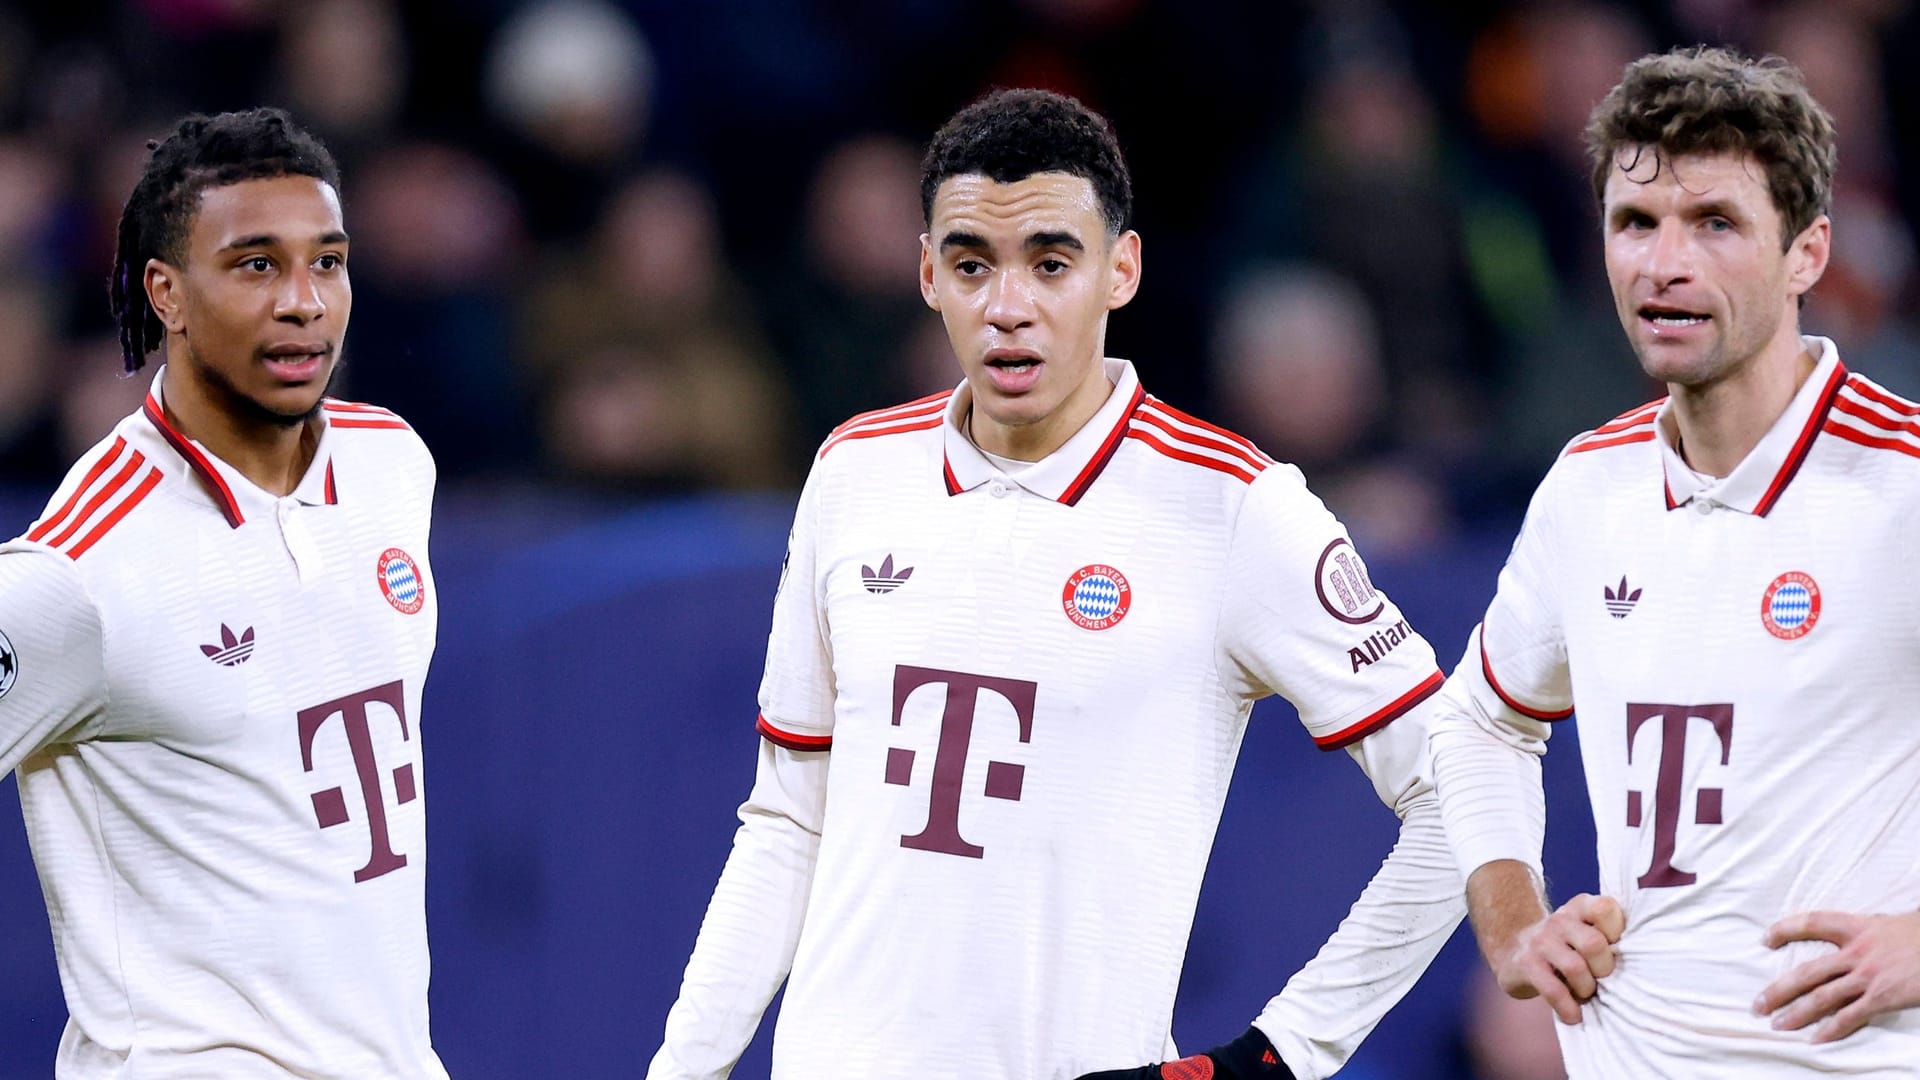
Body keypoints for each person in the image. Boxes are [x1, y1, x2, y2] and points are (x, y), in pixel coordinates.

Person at [648, 88, 1464, 1080]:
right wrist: (684, 1066)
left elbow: (1466, 792)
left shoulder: (1232, 506)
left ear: (1121, 268)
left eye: (1050, 262)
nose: (1008, 306)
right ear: (926, 274)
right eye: (971, 265)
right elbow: (789, 816)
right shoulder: (854, 470)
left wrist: (1282, 1053)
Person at [1429, 46, 1920, 1077]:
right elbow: (1480, 723)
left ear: (1808, 253)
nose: (1664, 263)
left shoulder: (1901, 482)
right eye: (1636, 223)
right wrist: (1514, 925)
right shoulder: (1588, 487)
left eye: (1716, 224)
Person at [0, 108, 446, 1077]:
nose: (304, 302)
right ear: (166, 292)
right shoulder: (84, 570)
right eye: (255, 265)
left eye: (326, 262)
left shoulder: (391, 466)